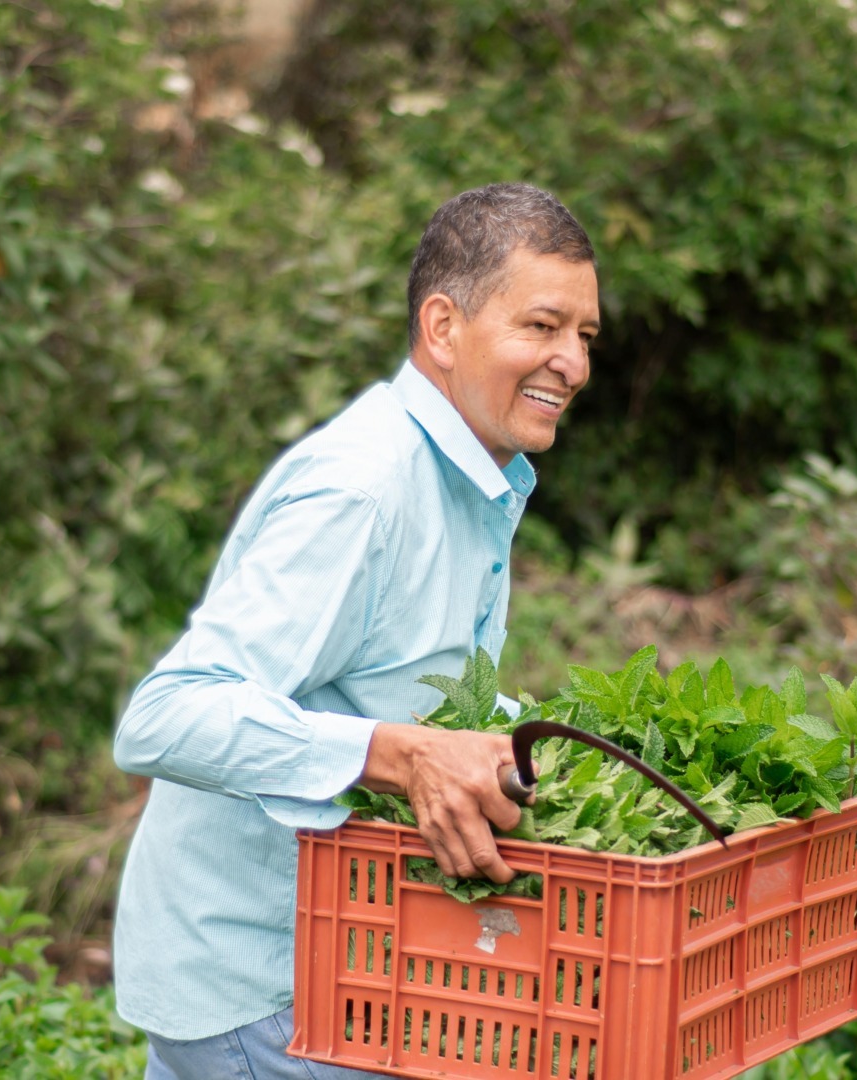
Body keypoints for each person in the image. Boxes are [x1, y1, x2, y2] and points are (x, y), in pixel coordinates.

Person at [112, 182, 601, 1080]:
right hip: (260, 988)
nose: (571, 362)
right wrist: (406, 757)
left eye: (584, 336)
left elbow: (393, 679)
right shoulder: (364, 491)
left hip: (340, 965)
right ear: (443, 328)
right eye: (541, 327)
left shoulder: (470, 482)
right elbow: (168, 717)